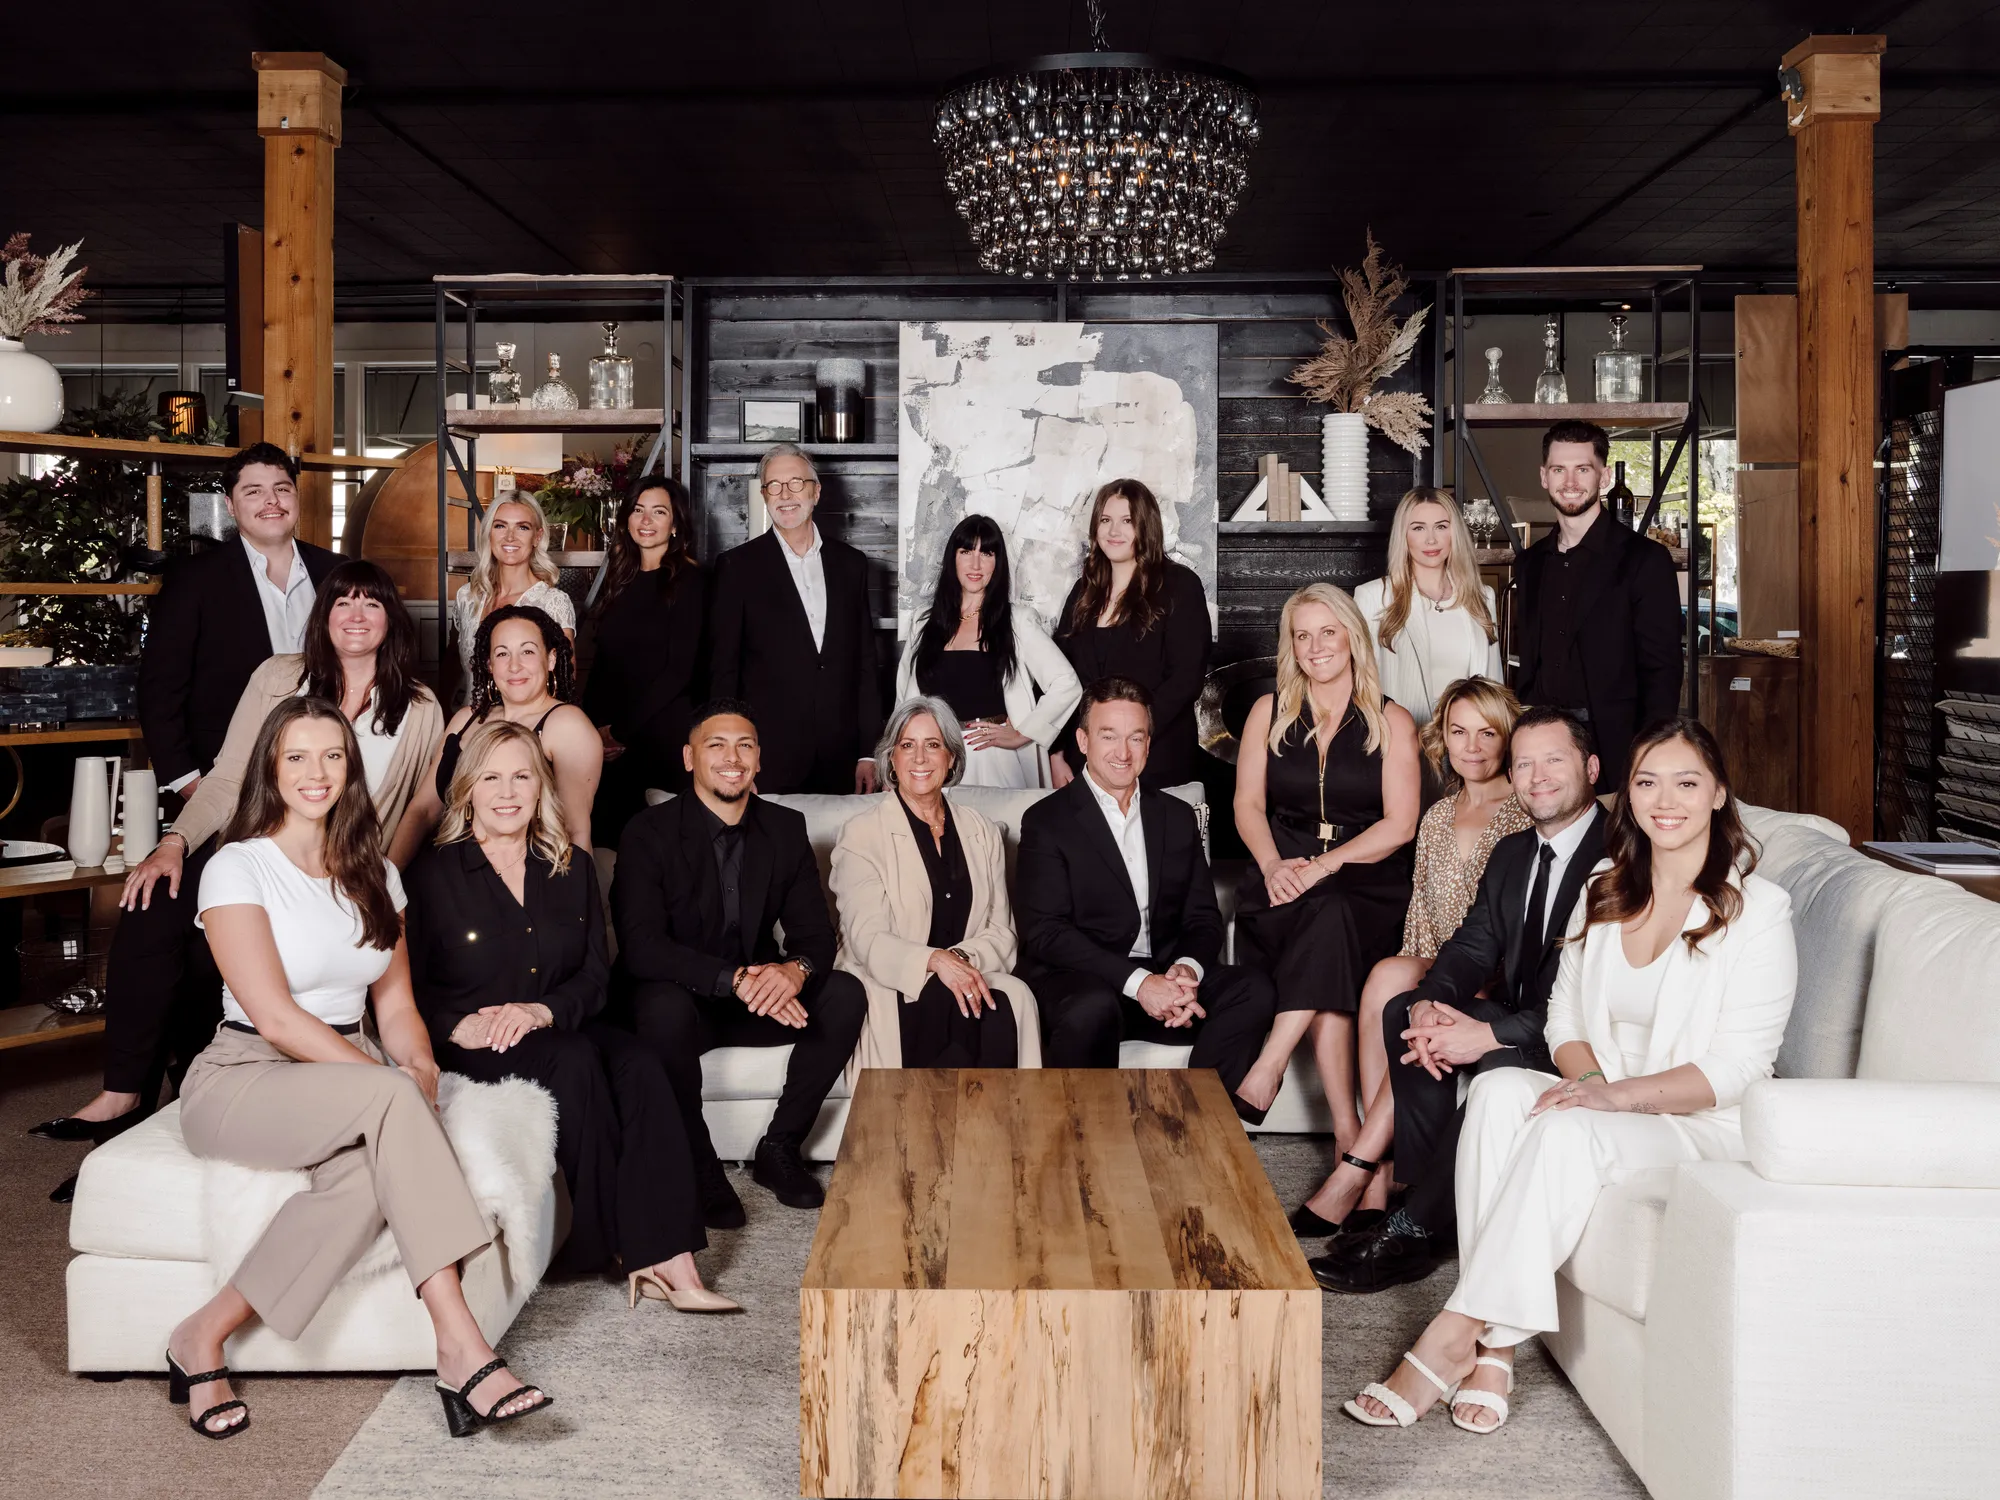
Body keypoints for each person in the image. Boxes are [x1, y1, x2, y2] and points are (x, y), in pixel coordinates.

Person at [1343, 717, 1794, 1435]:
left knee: (1561, 1130)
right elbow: (1564, 1023)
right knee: (1494, 1093)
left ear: (1718, 794)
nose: (1664, 799)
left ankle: (1458, 1334)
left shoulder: (1759, 912)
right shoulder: (1605, 891)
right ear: (1629, 793)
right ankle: (1496, 1355)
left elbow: (1739, 1069)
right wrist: (1588, 1084)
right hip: (1600, 1097)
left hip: (1692, 1126)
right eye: (1648, 782)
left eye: (1686, 782)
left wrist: (1606, 1098)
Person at [168, 697, 554, 1440]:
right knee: (388, 1104)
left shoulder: (375, 870)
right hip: (246, 1071)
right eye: (297, 758)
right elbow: (276, 1017)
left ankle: (198, 1336)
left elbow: (398, 1002)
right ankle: (461, 1345)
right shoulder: (236, 866)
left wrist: (417, 1069)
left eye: (332, 756)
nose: (317, 774)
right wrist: (386, 1085)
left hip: (346, 1066)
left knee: (367, 1179)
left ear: (351, 769)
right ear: (270, 771)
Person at [35, 560, 444, 1145]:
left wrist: (379, 880)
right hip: (258, 849)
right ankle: (124, 1093)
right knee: (152, 904)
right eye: (342, 602)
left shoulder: (420, 706)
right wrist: (173, 844)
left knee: (237, 968)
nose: (356, 615)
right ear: (322, 616)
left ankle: (194, 1093)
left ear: (390, 619)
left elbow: (415, 811)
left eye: (372, 603)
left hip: (345, 865)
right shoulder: (280, 677)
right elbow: (228, 778)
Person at [29, 444, 338, 1144]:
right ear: (233, 506)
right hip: (220, 793)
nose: (270, 501)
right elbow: (160, 691)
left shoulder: (337, 576)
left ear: (297, 499)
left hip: (317, 797)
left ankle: (199, 1075)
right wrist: (193, 784)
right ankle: (122, 1090)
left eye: (282, 488)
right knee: (155, 907)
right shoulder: (200, 579)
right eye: (253, 491)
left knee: (226, 933)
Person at [405, 720, 736, 1313]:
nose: (507, 792)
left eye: (522, 777)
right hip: (475, 1039)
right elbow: (408, 987)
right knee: (579, 1059)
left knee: (639, 1061)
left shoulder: (569, 866)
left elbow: (593, 976)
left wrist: (541, 1009)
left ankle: (676, 1258)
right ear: (469, 789)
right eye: (492, 778)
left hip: (552, 1022)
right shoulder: (432, 875)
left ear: (540, 788)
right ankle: (614, 1245)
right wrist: (457, 1025)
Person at [1309, 706, 1607, 1295]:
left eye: (1555, 760)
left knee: (1496, 1063)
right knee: (1405, 1016)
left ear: (1592, 768)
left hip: (1580, 1036)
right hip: (1524, 1012)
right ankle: (1422, 1206)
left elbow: (1584, 996)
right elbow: (1473, 946)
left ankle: (1415, 1228)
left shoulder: (1619, 855)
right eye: (1525, 764)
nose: (1537, 775)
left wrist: (1488, 1035)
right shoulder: (1516, 852)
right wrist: (1430, 1004)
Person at [1287, 676, 1529, 1237]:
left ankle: (1362, 1169)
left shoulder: (1524, 811)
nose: (1471, 746)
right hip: (1442, 962)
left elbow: (1515, 927)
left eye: (1486, 732)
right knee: (1385, 979)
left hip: (1494, 973)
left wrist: (1457, 989)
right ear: (1442, 737)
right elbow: (1421, 913)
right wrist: (1423, 986)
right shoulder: (1438, 815)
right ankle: (1381, 1168)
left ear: (1507, 738)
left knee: (1404, 987)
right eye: (1458, 731)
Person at [609, 699, 867, 1220]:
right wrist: (736, 978)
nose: (733, 757)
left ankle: (779, 1149)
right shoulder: (647, 831)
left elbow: (815, 936)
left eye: (745, 745)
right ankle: (699, 1164)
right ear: (689, 758)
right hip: (682, 997)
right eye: (716, 745)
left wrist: (793, 972)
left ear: (758, 761)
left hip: (758, 998)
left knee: (844, 993)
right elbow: (642, 946)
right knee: (661, 1008)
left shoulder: (785, 828)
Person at [1016, 677, 1275, 1106]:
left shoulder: (1174, 815)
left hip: (1165, 977)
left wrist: (1186, 972)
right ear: (1082, 740)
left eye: (1136, 737)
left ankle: (1201, 1119)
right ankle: (1088, 1143)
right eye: (1109, 736)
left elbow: (1202, 918)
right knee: (1090, 1008)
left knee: (1254, 987)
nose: (1123, 753)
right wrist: (1141, 985)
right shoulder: (1047, 821)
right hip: (1087, 982)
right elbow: (1047, 933)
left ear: (1149, 745)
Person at [1231, 584, 1420, 1134]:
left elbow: (1400, 825)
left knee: (1333, 909)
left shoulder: (1393, 720)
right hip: (1280, 871)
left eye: (1328, 632)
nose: (1316, 647)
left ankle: (1271, 1064)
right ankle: (1347, 1135)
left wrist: (1325, 864)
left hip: (1367, 878)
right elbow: (1247, 804)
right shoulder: (1269, 712)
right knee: (1326, 932)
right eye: (1302, 635)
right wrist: (1271, 865)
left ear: (1353, 639)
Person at [830, 697, 1040, 1070]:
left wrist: (956, 961)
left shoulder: (982, 831)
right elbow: (868, 939)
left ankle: (1004, 1126)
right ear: (891, 759)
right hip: (896, 982)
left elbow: (1002, 932)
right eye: (907, 746)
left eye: (933, 745)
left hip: (968, 975)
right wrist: (934, 962)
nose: (920, 758)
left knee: (1004, 1003)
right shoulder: (862, 834)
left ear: (952, 758)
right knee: (952, 1014)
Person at [1513, 419, 1684, 790]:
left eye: (1583, 469)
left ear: (1603, 477)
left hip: (1617, 749)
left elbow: (1663, 671)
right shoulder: (1529, 564)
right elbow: (1527, 664)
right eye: (1559, 469)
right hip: (1543, 749)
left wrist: (1648, 757)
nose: (1570, 482)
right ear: (1544, 476)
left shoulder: (1645, 560)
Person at [708, 444, 882, 795]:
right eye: (774, 485)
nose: (785, 495)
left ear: (816, 491)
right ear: (763, 495)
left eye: (796, 483)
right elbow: (724, 672)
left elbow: (864, 663)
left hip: (843, 755)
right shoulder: (737, 568)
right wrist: (735, 759)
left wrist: (870, 753)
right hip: (768, 757)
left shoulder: (852, 565)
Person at [391, 604, 600, 863]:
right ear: (489, 665)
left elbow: (575, 831)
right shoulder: (466, 719)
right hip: (446, 872)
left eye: (527, 651)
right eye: (502, 654)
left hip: (525, 882)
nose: (514, 666)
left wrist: (577, 898)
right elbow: (422, 811)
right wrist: (389, 883)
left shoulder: (567, 724)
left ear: (551, 659)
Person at [894, 514, 1081, 789]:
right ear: (952, 559)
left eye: (987, 552)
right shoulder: (924, 622)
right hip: (934, 760)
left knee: (997, 831)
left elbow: (1066, 683)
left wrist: (1024, 732)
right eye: (966, 551)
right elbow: (904, 701)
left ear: (998, 562)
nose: (976, 563)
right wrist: (898, 758)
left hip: (993, 761)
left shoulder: (1017, 621)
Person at [1050, 480, 1212, 792]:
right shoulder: (1085, 590)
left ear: (1146, 526)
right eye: (1106, 520)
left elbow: (1185, 679)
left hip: (1156, 757)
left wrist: (1130, 736)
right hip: (1085, 761)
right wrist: (1056, 754)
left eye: (1127, 521)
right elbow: (1059, 676)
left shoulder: (1179, 586)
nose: (1114, 532)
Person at [583, 473, 707, 845]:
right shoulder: (619, 580)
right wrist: (591, 731)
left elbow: (680, 671)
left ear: (675, 524)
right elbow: (604, 663)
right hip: (608, 745)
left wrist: (619, 731)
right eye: (638, 510)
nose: (646, 520)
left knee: (660, 849)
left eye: (658, 512)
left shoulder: (692, 582)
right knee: (607, 845)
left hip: (661, 738)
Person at [1353, 487, 1502, 728]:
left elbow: (1494, 685)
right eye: (1418, 528)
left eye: (1441, 526)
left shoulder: (1483, 597)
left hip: (1468, 747)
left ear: (1455, 533)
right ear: (1404, 535)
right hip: (1402, 743)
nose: (1431, 539)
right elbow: (1361, 686)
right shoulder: (1372, 597)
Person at [451, 489, 576, 689]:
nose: (510, 537)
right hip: (471, 718)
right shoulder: (467, 596)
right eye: (500, 526)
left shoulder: (553, 602)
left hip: (527, 720)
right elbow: (452, 675)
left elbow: (564, 683)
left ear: (537, 537)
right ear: (488, 533)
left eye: (522, 528)